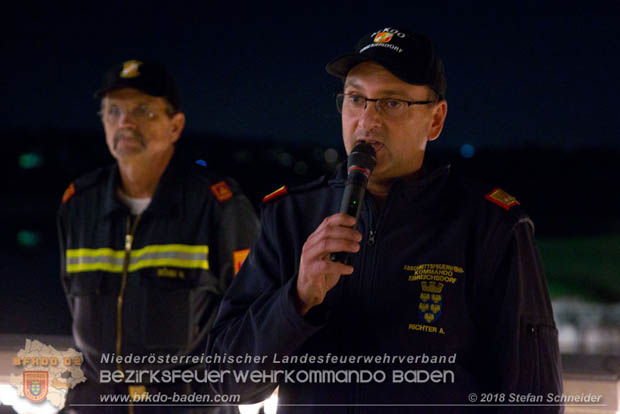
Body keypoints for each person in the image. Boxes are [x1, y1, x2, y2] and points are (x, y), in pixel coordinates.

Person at [206, 28, 563, 413]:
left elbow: (534, 399)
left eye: (392, 103)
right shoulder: (291, 217)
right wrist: (296, 298)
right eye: (356, 99)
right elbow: (225, 382)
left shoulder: (493, 227)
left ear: (436, 119)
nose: (367, 120)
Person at [58, 59, 260, 413]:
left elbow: (252, 319)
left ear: (175, 126)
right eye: (113, 111)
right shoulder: (79, 205)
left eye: (143, 111)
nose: (125, 122)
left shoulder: (217, 205)